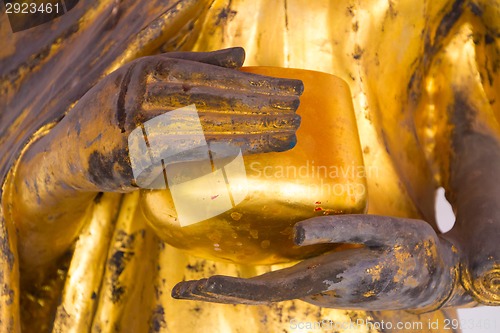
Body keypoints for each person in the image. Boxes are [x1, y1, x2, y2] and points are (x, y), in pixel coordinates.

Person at [0, 0, 498, 332]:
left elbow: (471, 119)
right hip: (149, 305)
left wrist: (444, 276)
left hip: (376, 313)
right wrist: (75, 150)